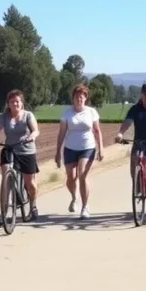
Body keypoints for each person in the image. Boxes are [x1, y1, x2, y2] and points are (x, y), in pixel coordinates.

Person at [0, 89, 40, 223]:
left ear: (22, 103)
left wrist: (32, 137)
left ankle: (33, 205)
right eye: (12, 101)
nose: (15, 104)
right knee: (6, 179)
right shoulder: (4, 117)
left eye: (17, 101)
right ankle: (4, 212)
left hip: (26, 150)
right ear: (8, 103)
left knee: (30, 182)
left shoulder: (28, 115)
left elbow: (35, 130)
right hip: (10, 149)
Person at [55, 84, 104, 219]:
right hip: (70, 148)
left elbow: (97, 131)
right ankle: (73, 196)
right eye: (77, 97)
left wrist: (101, 148)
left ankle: (85, 206)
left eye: (82, 97)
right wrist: (58, 152)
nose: (79, 100)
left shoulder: (91, 112)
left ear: (85, 99)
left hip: (87, 147)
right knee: (71, 178)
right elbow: (61, 133)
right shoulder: (67, 113)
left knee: (82, 175)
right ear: (73, 99)